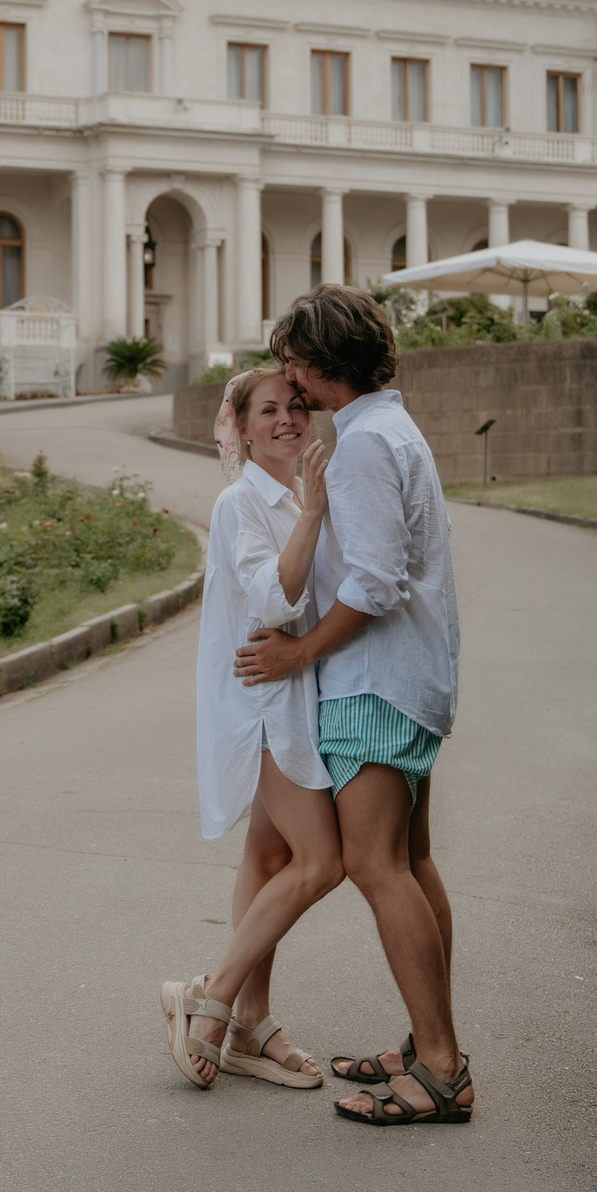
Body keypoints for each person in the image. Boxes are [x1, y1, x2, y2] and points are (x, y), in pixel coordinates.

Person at [235, 284, 468, 1127]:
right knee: (411, 859)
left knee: (376, 866)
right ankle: (429, 1043)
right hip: (411, 679)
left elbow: (372, 582)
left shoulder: (368, 443)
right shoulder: (390, 429)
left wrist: (298, 651)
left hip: (374, 682)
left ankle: (439, 1068)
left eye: (297, 359)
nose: (292, 379)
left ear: (326, 360)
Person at [159, 365, 343, 1091]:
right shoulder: (244, 504)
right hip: (269, 710)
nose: (288, 419)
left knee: (267, 862)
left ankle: (251, 1021)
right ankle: (211, 1000)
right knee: (322, 862)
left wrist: (310, 507)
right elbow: (275, 600)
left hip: (296, 700)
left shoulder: (292, 493)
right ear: (239, 426)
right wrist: (313, 515)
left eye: (297, 406)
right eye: (268, 409)